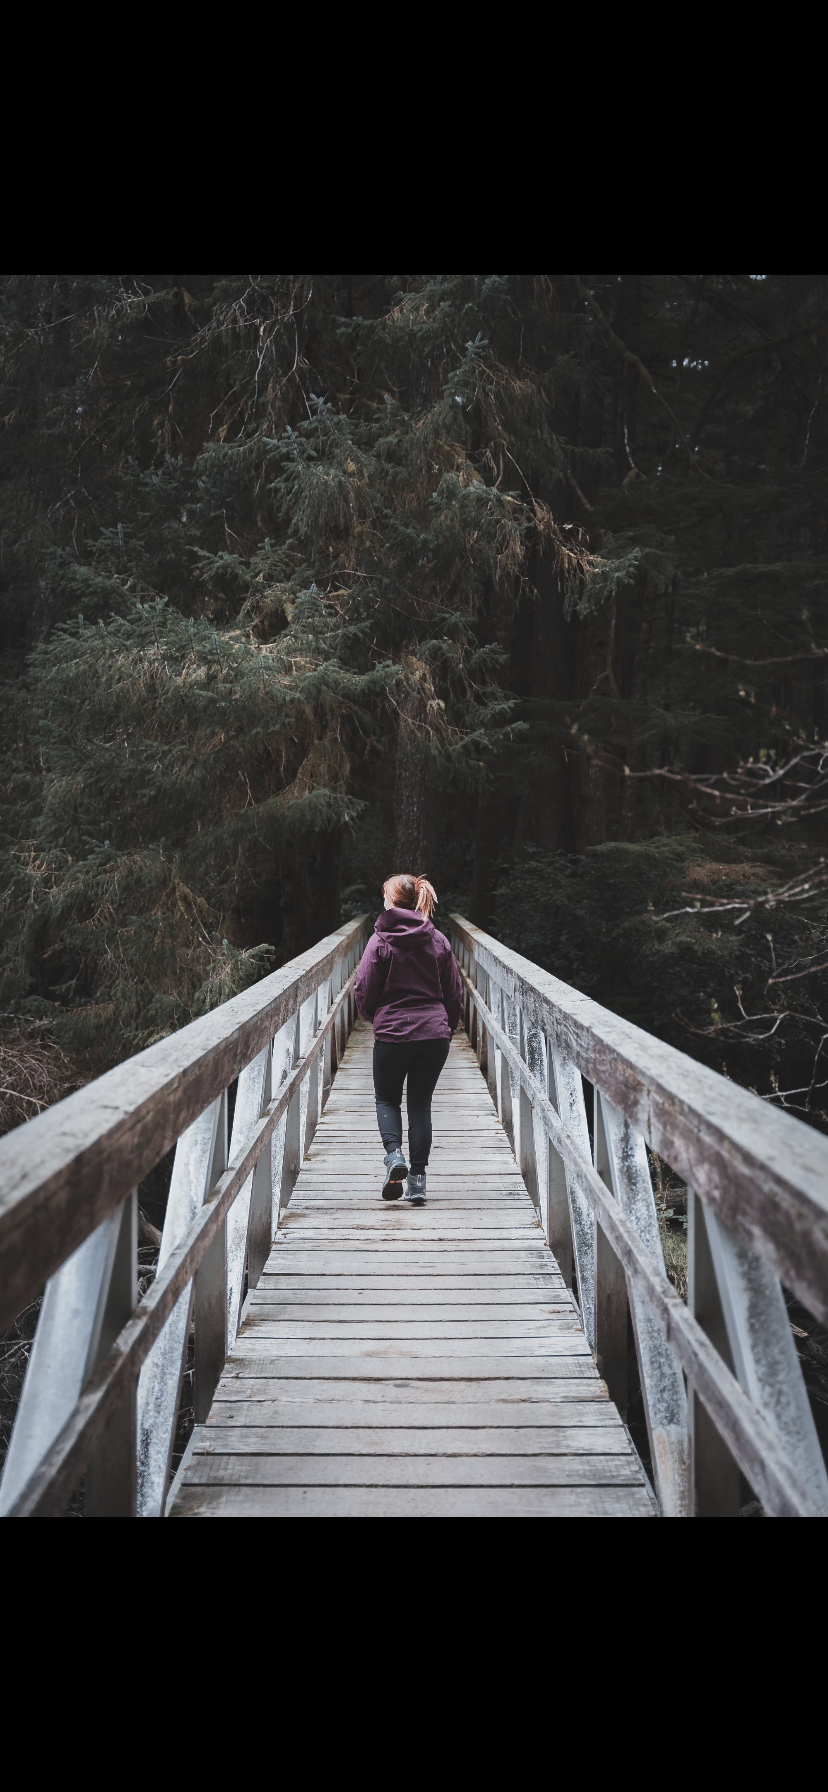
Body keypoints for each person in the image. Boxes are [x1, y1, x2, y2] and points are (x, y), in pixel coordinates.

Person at [354, 873, 463, 1205]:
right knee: (420, 1105)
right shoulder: (438, 940)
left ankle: (394, 1156)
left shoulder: (380, 941)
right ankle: (417, 1181)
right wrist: (446, 1025)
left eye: (385, 896)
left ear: (391, 901)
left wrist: (377, 1016)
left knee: (387, 1099)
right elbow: (454, 993)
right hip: (434, 1033)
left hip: (393, 1033)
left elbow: (364, 989)